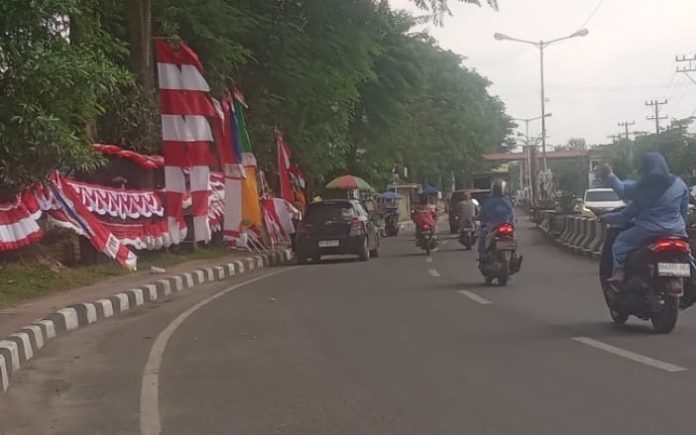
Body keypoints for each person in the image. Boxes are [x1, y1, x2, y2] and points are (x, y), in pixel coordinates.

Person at [603, 152, 689, 282]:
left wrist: (610, 174)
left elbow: (622, 193)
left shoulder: (642, 187)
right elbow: (683, 209)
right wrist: (680, 226)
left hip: (647, 231)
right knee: (688, 253)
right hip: (677, 230)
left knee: (620, 243)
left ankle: (619, 272)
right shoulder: (679, 183)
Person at [478, 179, 515, 261]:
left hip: (491, 226)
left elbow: (482, 214)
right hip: (507, 225)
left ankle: (482, 256)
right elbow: (512, 213)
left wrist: (481, 219)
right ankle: (514, 254)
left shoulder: (488, 201)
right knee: (514, 236)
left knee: (482, 237)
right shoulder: (508, 200)